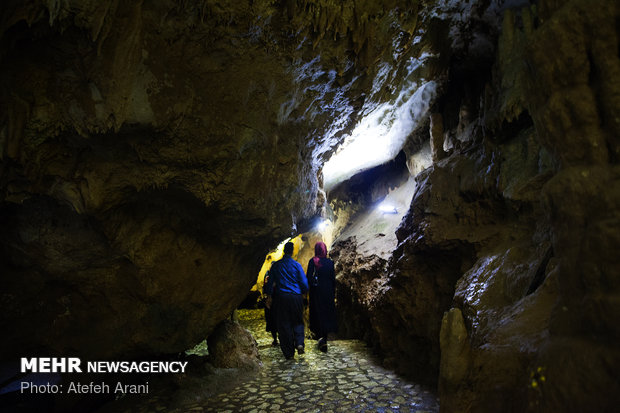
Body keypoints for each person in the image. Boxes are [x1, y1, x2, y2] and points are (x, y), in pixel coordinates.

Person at [269, 242, 309, 360]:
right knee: (297, 321)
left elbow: (270, 283)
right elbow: (304, 283)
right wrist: (303, 292)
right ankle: (300, 343)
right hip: (296, 297)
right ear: (292, 252)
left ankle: (289, 352)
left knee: (284, 323)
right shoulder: (296, 265)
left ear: (283, 251)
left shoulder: (276, 265)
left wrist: (269, 296)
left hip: (281, 297)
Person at [307, 241, 337, 352]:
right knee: (326, 313)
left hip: (317, 291)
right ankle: (324, 336)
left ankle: (321, 337)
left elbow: (309, 278)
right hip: (328, 291)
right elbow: (333, 278)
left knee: (317, 312)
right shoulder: (330, 262)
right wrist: (332, 291)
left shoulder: (313, 261)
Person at [262, 270, 278, 346]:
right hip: (278, 300)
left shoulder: (268, 275)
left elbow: (266, 288)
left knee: (272, 321)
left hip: (273, 301)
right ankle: (277, 339)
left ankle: (275, 339)